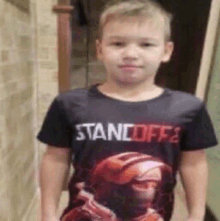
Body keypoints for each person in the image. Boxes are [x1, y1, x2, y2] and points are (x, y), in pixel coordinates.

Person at [37, 0, 218, 221]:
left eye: (146, 45)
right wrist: (47, 214)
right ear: (99, 50)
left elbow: (194, 163)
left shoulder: (188, 108)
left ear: (166, 51)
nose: (131, 53)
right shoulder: (69, 104)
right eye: (118, 43)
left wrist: (196, 214)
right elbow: (56, 159)